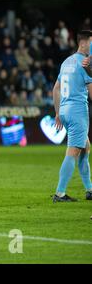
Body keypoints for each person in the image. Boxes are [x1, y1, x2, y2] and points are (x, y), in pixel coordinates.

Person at [52, 30, 92, 202]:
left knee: (86, 148)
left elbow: (56, 89)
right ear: (83, 43)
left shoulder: (66, 62)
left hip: (65, 111)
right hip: (77, 112)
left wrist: (57, 113)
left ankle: (90, 190)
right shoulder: (84, 64)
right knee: (74, 151)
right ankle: (59, 193)